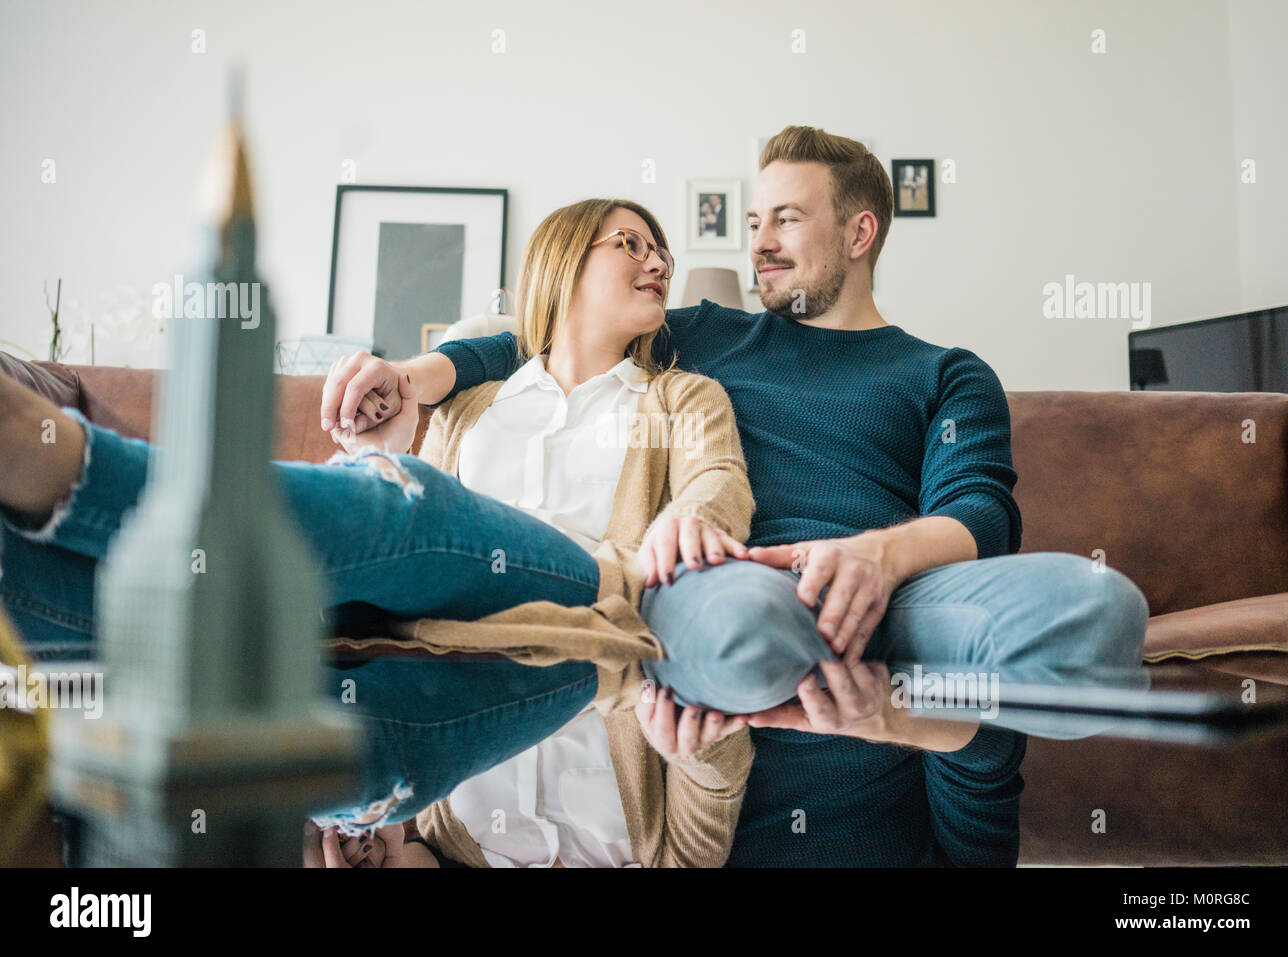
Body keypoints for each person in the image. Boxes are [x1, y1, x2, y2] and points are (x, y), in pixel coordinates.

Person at [334, 125, 1151, 867]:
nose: (760, 243)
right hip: (714, 621)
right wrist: (416, 376)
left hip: (882, 603)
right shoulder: (705, 333)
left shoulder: (944, 372)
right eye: (754, 222)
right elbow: (544, 333)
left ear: (860, 233)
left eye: (787, 220)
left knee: (1089, 613)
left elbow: (981, 512)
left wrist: (874, 557)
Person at [0, 198, 765, 866]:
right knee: (397, 502)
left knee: (351, 767)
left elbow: (718, 485)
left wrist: (392, 855)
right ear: (561, 261)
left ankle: (55, 520)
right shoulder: (472, 406)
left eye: (662, 248)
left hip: (550, 656)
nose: (659, 259)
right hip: (426, 577)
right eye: (630, 241)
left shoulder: (684, 398)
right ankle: (74, 480)